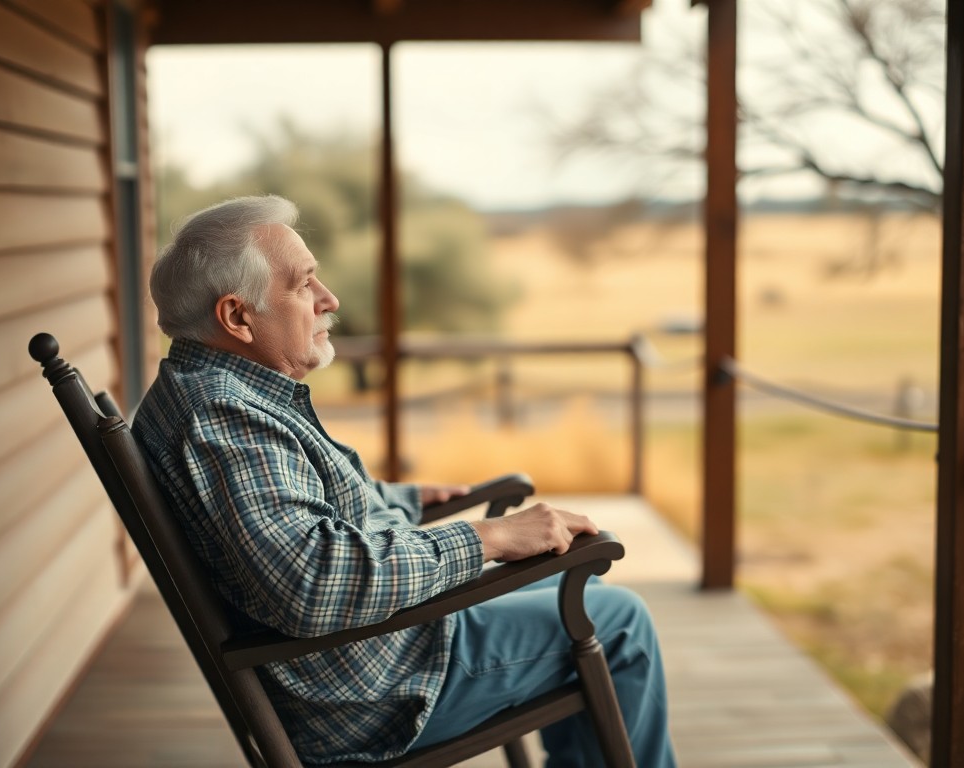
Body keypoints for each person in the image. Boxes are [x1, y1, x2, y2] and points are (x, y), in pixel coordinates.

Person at [133, 195, 676, 766]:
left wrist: (401, 500)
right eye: (303, 285)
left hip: (369, 649)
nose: (329, 300)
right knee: (620, 625)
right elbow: (312, 580)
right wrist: (488, 538)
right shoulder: (225, 419)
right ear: (238, 317)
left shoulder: (210, 390)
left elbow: (294, 507)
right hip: (371, 687)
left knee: (585, 591)